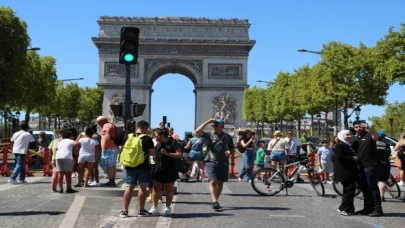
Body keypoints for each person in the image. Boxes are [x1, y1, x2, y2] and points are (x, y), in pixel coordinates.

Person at [193, 118, 235, 210]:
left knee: (220, 183)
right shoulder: (208, 135)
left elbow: (232, 149)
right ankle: (214, 201)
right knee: (213, 181)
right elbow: (196, 131)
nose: (214, 127)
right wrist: (208, 121)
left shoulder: (228, 137)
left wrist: (229, 152)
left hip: (223, 161)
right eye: (213, 125)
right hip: (210, 160)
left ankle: (216, 200)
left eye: (216, 125)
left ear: (221, 127)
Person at [119, 121, 156, 218]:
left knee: (129, 187)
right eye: (147, 130)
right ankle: (141, 210)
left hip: (130, 166)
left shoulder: (128, 136)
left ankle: (124, 211)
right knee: (142, 188)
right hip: (143, 166)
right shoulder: (146, 139)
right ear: (144, 128)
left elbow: (122, 150)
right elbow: (153, 153)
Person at [351, 120, 383, 217]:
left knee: (372, 187)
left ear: (364, 126)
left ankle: (378, 209)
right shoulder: (355, 138)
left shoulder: (369, 135)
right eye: (356, 127)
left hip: (370, 165)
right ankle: (367, 208)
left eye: (360, 126)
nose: (358, 128)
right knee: (364, 188)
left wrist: (369, 128)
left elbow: (376, 136)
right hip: (359, 166)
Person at [149, 128, 182, 216]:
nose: (155, 138)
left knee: (169, 189)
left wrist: (168, 154)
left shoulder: (173, 143)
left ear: (162, 135)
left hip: (170, 169)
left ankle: (168, 207)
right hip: (158, 169)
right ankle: (155, 207)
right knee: (156, 189)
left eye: (156, 136)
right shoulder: (158, 144)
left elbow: (179, 154)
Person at [334, 130, 359, 216]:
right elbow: (340, 158)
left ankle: (349, 209)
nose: (349, 136)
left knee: (350, 190)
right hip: (344, 172)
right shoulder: (340, 145)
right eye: (347, 135)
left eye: (350, 135)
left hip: (349, 171)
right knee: (349, 190)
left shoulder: (347, 145)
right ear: (342, 135)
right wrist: (352, 158)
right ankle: (343, 208)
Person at [97, 116, 120, 187]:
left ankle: (111, 181)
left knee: (108, 165)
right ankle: (112, 180)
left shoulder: (106, 126)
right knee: (112, 165)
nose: (99, 125)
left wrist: (104, 148)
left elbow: (106, 137)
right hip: (115, 147)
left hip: (109, 148)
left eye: (98, 123)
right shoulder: (112, 125)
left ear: (101, 122)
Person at [374, 130, 391, 202]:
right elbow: (388, 153)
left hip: (376, 163)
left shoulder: (374, 143)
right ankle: (382, 196)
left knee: (374, 180)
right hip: (385, 163)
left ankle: (374, 196)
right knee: (383, 180)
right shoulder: (386, 143)